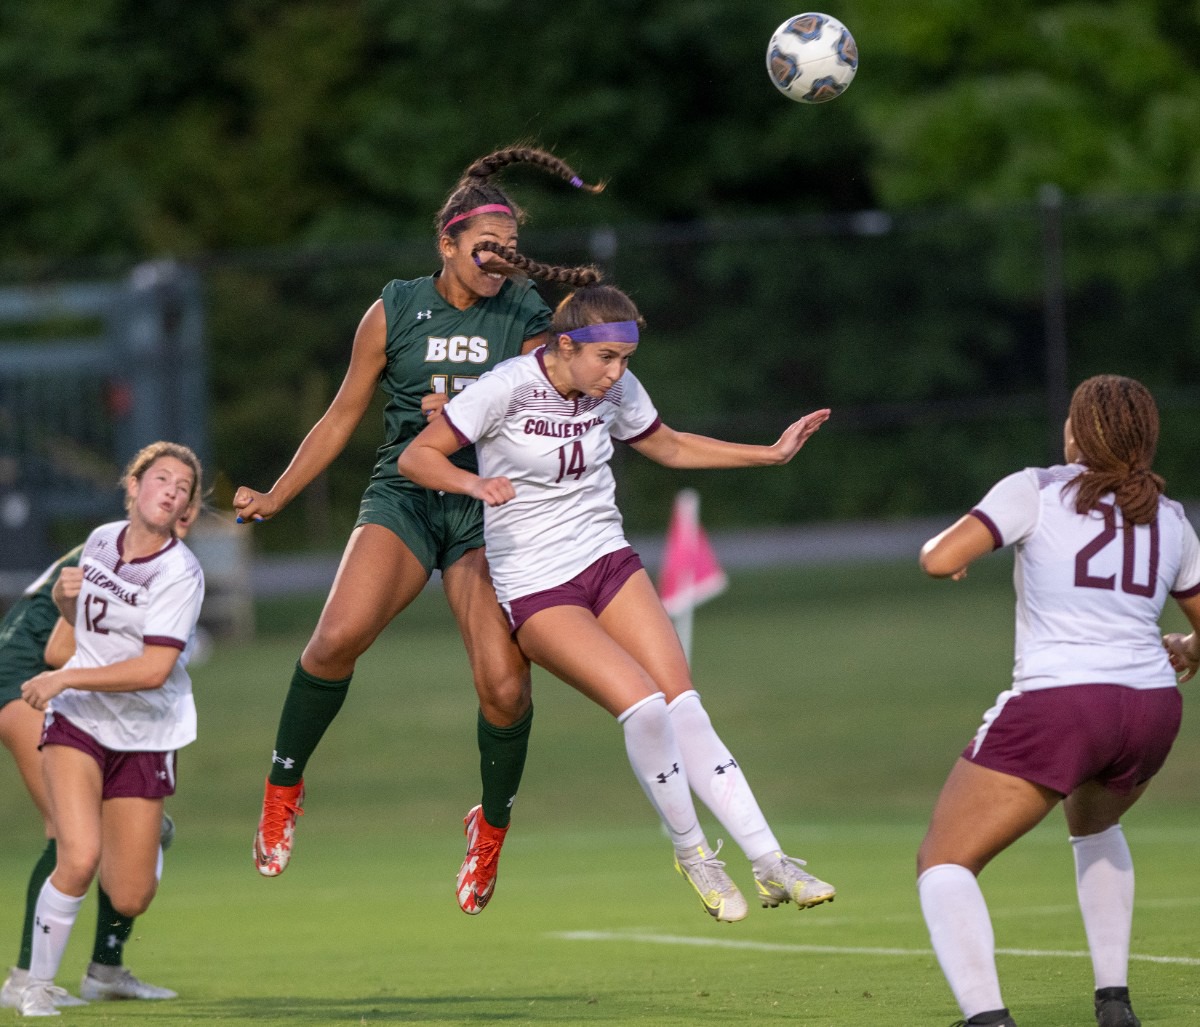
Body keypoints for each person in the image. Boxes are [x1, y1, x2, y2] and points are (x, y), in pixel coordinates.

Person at [233, 146, 604, 915]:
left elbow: (569, 389)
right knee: (335, 638)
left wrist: (483, 413)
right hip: (407, 496)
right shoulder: (395, 308)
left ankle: (491, 827)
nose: (498, 262)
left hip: (487, 506)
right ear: (446, 242)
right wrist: (276, 493)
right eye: (485, 250)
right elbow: (341, 415)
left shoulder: (529, 314)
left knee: (503, 686)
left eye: (508, 252)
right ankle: (282, 783)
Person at [398, 283, 837, 921]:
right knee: (645, 708)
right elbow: (417, 457)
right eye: (606, 358)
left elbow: (669, 444)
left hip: (607, 560)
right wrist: (473, 480)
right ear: (565, 346)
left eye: (626, 360)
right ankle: (695, 858)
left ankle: (772, 863)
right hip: (537, 584)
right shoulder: (507, 386)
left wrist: (768, 455)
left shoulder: (613, 389)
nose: (617, 373)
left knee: (684, 706)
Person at [914, 375, 1200, 1027]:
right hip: (1151, 710)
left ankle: (988, 1018)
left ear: (1077, 432)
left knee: (944, 859)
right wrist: (1186, 646)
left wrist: (953, 549)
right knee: (1096, 823)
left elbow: (936, 559)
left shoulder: (1036, 489)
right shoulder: (1172, 516)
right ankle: (1114, 1002)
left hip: (1065, 703)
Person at [11, 441, 205, 1017]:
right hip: (81, 725)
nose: (170, 490)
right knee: (77, 854)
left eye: (182, 489)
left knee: (130, 893)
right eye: (161, 478)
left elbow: (153, 670)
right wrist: (62, 603)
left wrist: (65, 680)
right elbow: (71, 642)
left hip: (146, 734)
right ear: (133, 485)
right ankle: (35, 988)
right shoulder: (98, 541)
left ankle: (147, 835)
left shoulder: (180, 573)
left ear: (184, 513)